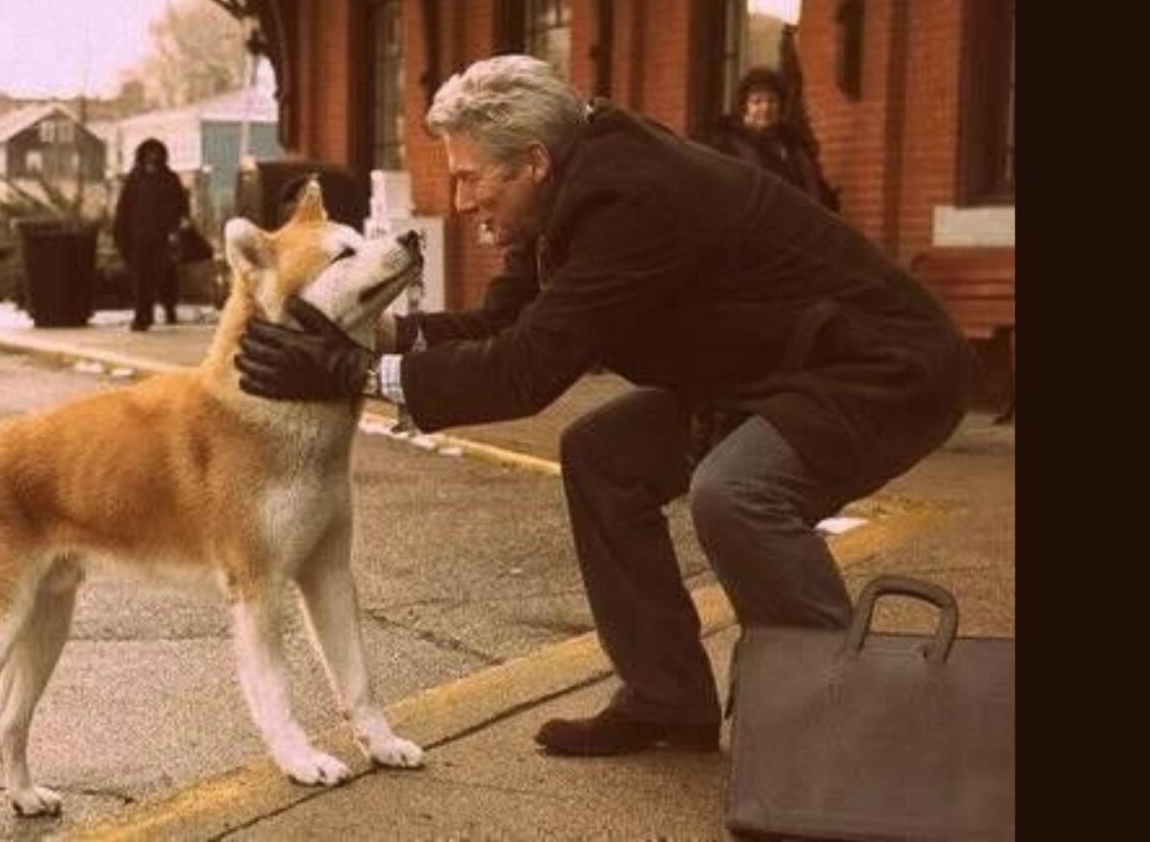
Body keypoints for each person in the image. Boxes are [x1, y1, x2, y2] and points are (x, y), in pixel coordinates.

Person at [234, 55, 972, 758]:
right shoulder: (563, 191)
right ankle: (667, 698)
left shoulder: (630, 200)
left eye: (469, 180)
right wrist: (371, 333)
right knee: (603, 456)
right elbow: (503, 326)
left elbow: (526, 372)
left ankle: (843, 719)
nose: (461, 205)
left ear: (532, 163)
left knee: (737, 493)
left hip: (880, 367)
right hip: (768, 371)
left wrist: (348, 372)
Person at [711, 66, 839, 213]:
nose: (765, 108)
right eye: (757, 102)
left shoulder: (796, 147)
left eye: (772, 101)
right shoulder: (728, 148)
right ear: (744, 108)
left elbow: (818, 190)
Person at [112, 138, 190, 330]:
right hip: (139, 238)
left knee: (165, 276)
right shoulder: (135, 179)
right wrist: (120, 233)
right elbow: (124, 208)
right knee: (141, 279)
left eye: (156, 153)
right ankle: (143, 316)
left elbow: (181, 205)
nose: (152, 157)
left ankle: (169, 307)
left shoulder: (170, 179)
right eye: (149, 153)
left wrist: (176, 229)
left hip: (163, 237)